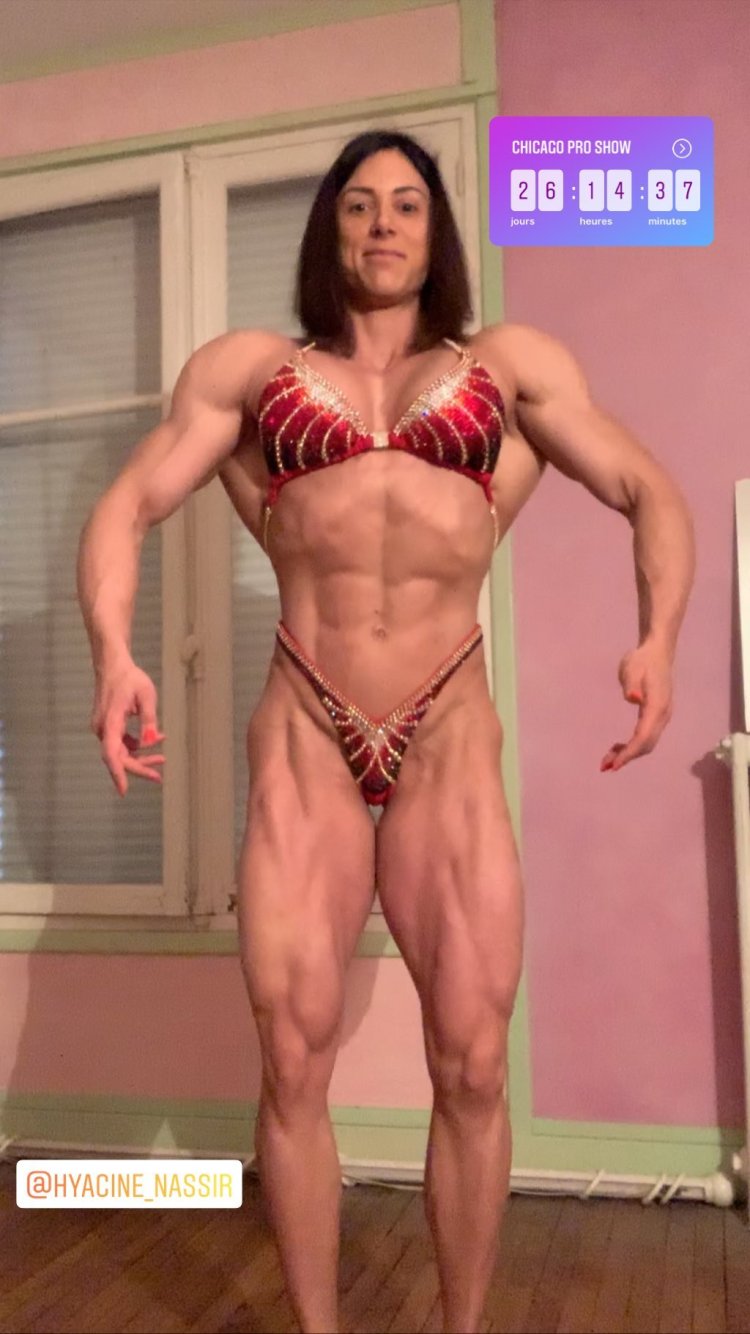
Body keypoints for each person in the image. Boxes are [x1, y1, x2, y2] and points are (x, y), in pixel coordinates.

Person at [77, 129, 696, 1334]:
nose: (383, 223)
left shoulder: (506, 368)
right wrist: (113, 651)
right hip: (307, 733)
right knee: (292, 1059)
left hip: (446, 734)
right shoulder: (252, 371)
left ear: (435, 231)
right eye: (360, 203)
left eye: (408, 204)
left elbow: (647, 489)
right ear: (332, 227)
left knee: (473, 1062)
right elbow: (131, 500)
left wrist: (658, 637)